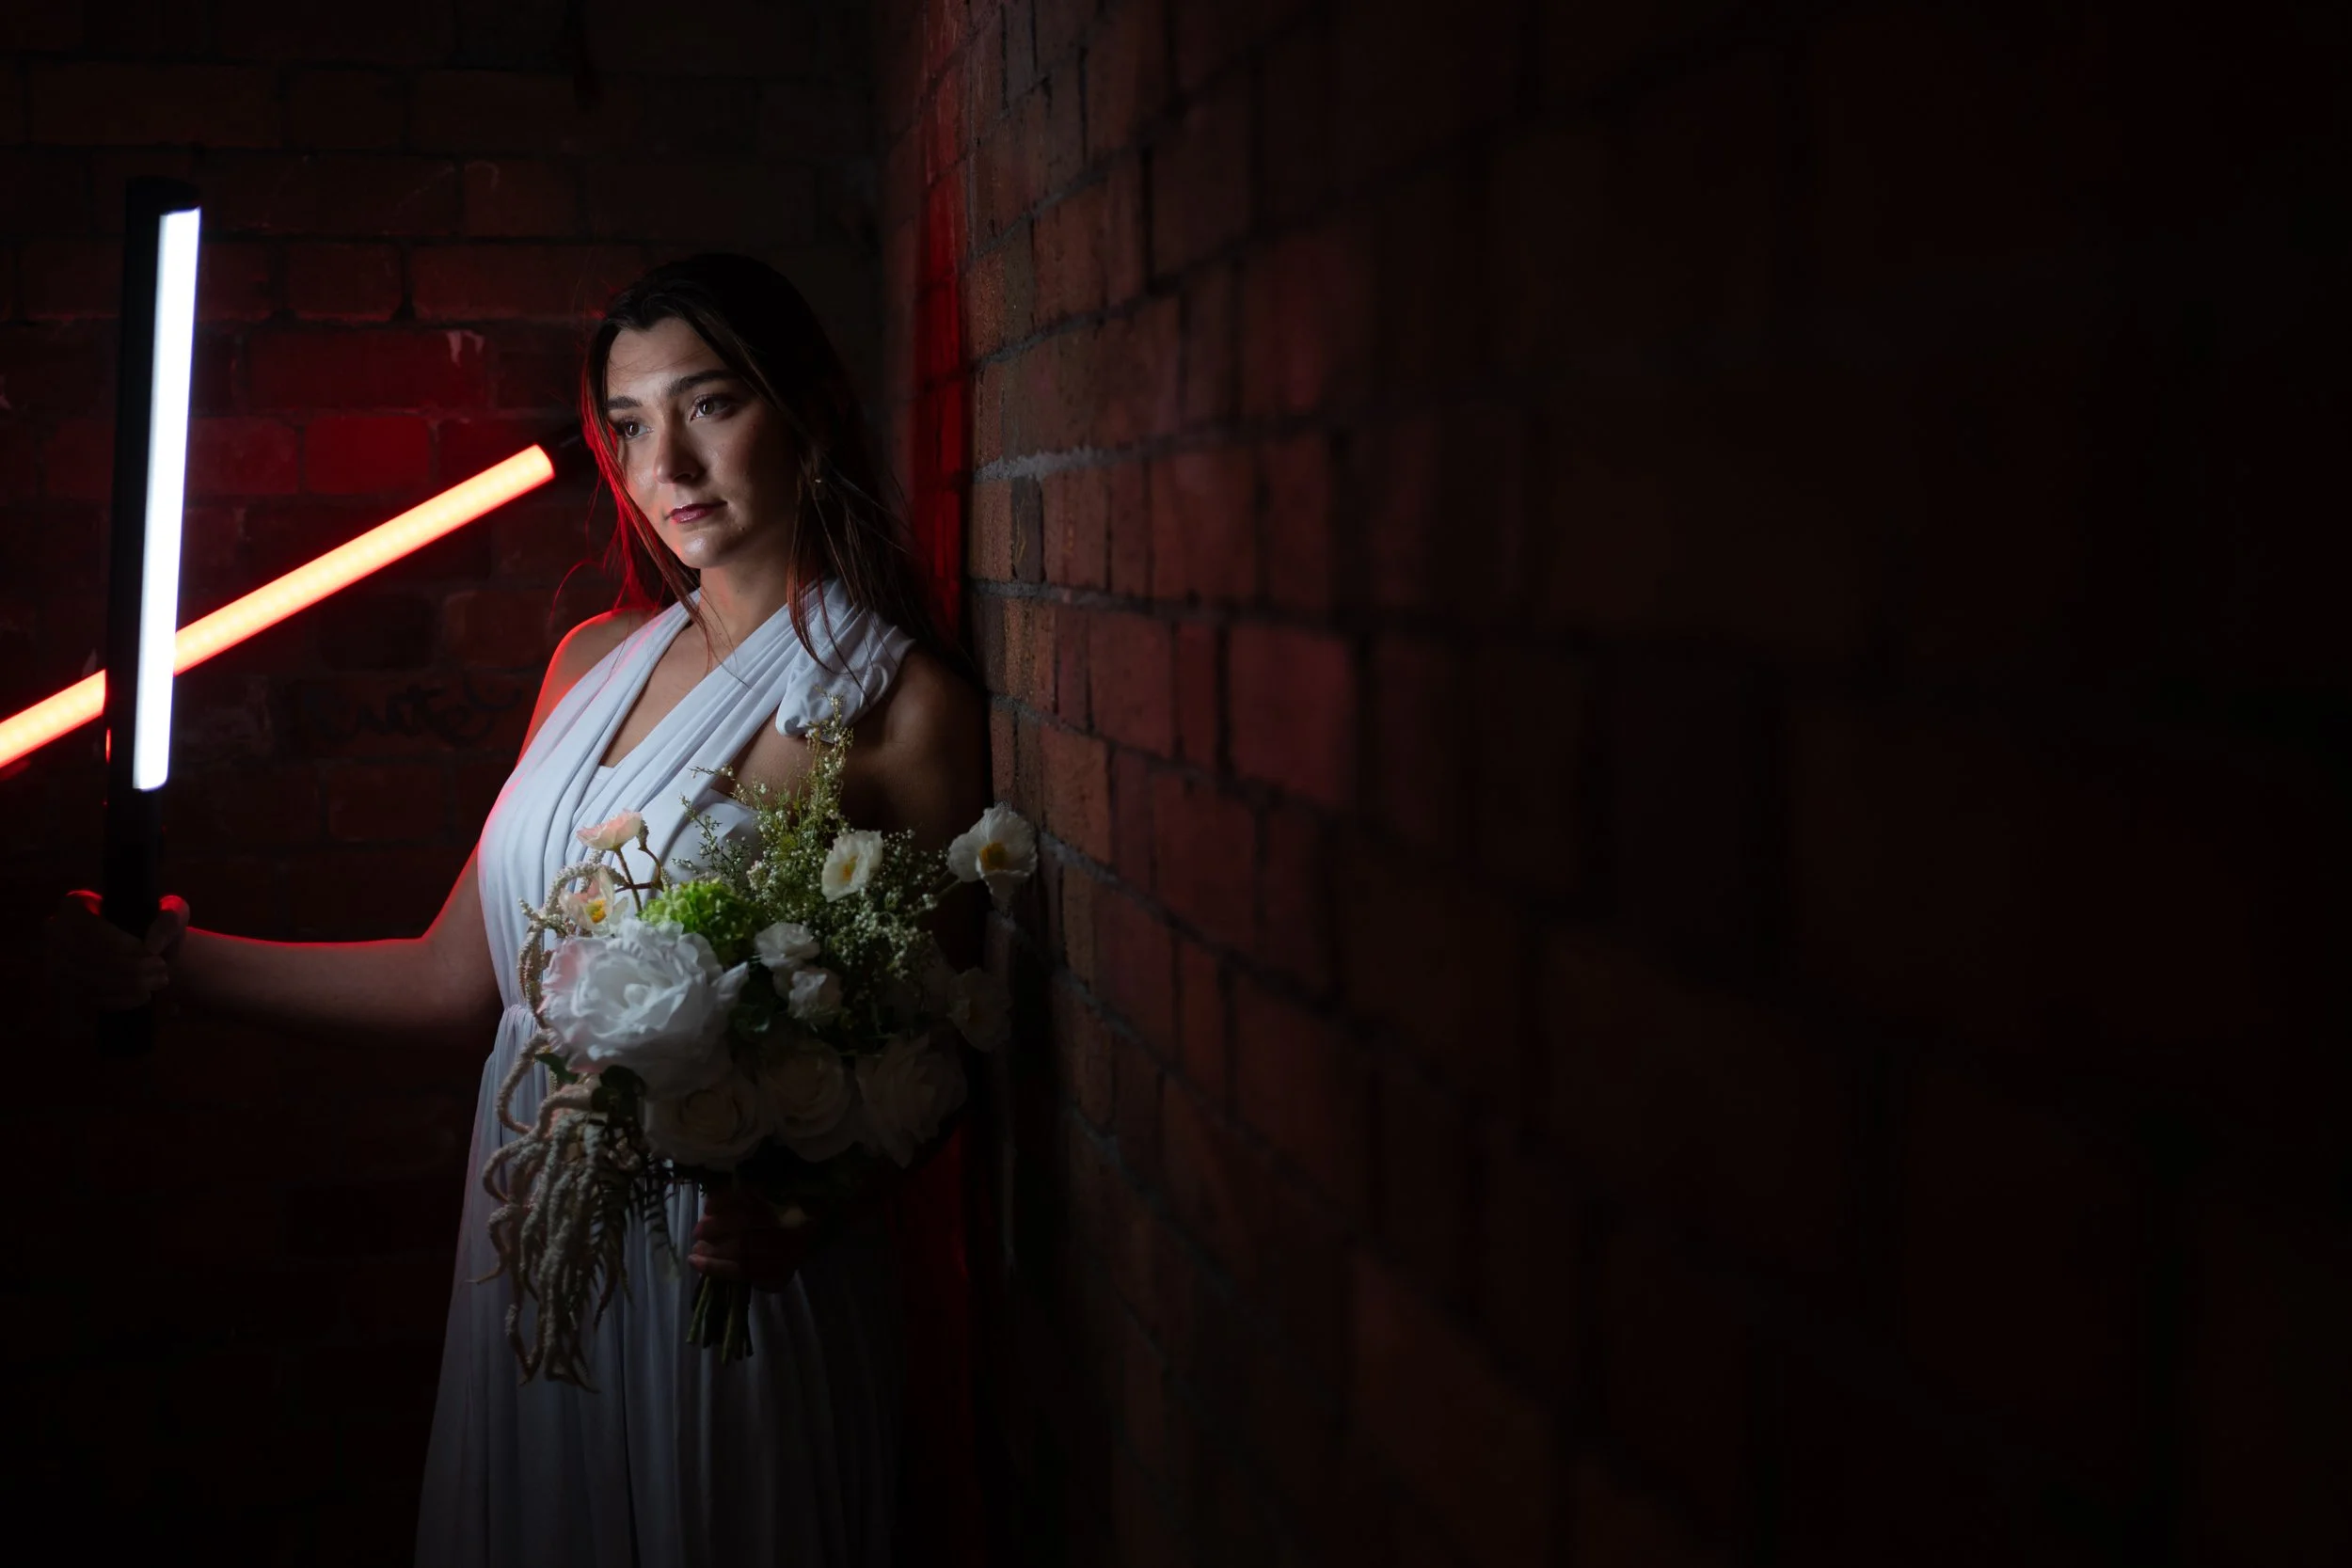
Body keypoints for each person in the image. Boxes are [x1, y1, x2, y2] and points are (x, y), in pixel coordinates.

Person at [46, 254, 992, 1567]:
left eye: (710, 404)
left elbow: (958, 1042)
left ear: (805, 407)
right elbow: (459, 978)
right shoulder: (592, 660)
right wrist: (172, 962)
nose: (668, 458)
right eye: (628, 424)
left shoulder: (897, 705)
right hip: (530, 1245)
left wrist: (816, 1203)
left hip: (722, 1264)